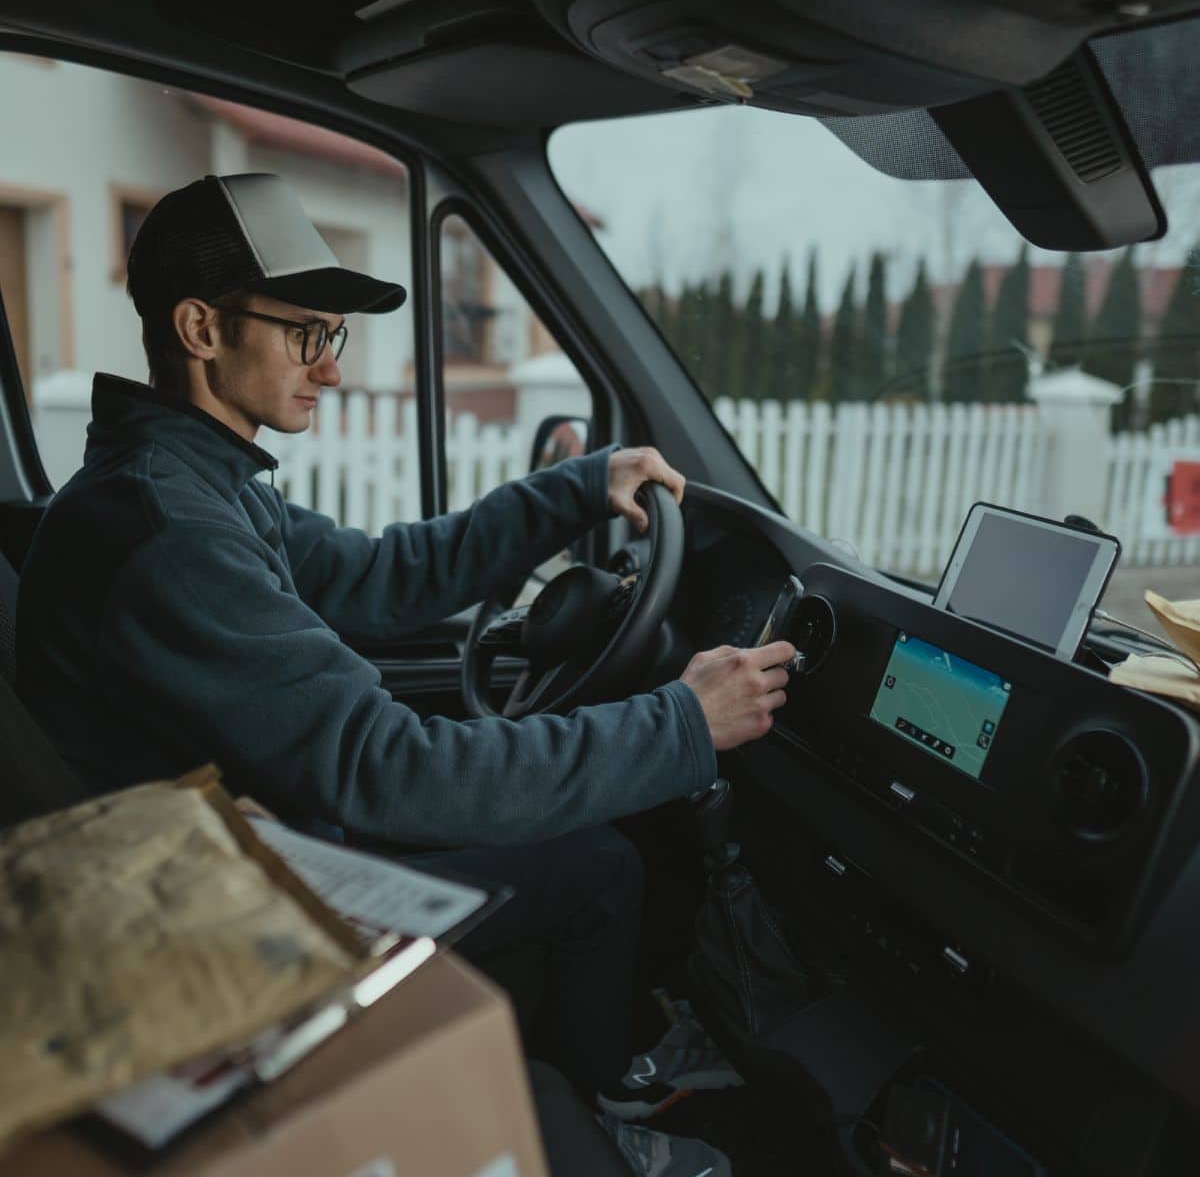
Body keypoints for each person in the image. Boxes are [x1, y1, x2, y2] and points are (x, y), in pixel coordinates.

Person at [16, 173, 793, 1175]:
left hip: (227, 853)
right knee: (600, 868)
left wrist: (575, 489)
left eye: (329, 339)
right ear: (201, 328)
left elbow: (382, 577)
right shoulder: (169, 528)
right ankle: (610, 1104)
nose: (329, 370)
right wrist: (683, 724)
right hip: (197, 919)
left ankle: (605, 1071)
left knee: (590, 856)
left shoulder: (189, 485)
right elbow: (389, 770)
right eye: (305, 333)